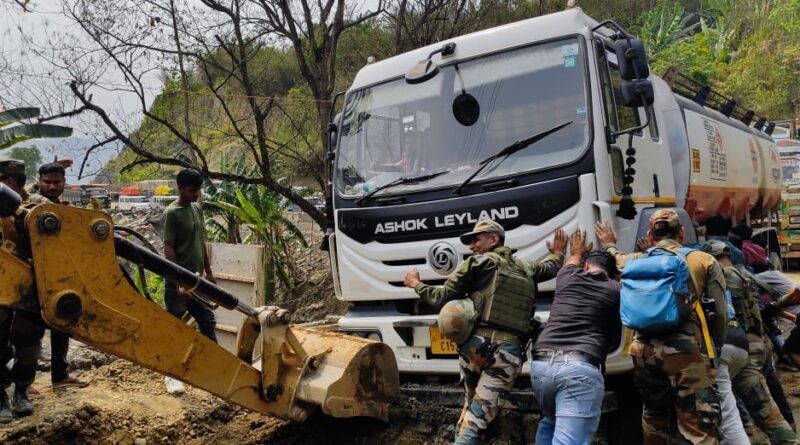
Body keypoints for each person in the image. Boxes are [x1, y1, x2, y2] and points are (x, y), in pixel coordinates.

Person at [404, 219, 566, 445]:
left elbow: (441, 297)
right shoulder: (526, 268)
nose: (472, 246)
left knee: (472, 409)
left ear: (494, 239)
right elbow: (550, 268)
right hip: (507, 354)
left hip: (474, 349)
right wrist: (558, 253)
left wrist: (416, 285)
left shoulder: (476, 263)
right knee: (477, 417)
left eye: (476, 240)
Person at [596, 209, 727, 444]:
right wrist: (715, 352)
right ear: (682, 232)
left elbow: (616, 258)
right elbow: (720, 313)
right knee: (698, 424)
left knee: (654, 416)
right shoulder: (702, 259)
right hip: (685, 350)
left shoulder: (635, 261)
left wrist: (609, 243)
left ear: (650, 234)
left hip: (642, 351)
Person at [703, 240, 798, 444]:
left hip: (745, 347)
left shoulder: (719, 276)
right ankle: (789, 429)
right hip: (763, 343)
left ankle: (787, 439)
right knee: (773, 395)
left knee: (762, 408)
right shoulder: (746, 274)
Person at [530, 230, 620, 445]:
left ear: (586, 267)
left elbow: (572, 260)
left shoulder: (567, 276)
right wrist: (611, 244)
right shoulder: (615, 289)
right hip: (579, 370)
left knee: (550, 423)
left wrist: (572, 251)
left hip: (541, 367)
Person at [29, 163, 91, 391]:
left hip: (60, 277)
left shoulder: (62, 207)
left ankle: (60, 375)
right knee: (30, 332)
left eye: (56, 182)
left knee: (62, 326)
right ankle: (24, 384)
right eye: (47, 182)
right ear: (39, 180)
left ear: (64, 183)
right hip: (33, 277)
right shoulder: (31, 202)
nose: (52, 186)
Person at [161, 168, 217, 341]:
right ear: (181, 188)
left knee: (207, 321)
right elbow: (168, 246)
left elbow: (200, 241)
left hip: (197, 279)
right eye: (193, 190)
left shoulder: (196, 209)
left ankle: (212, 362)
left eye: (199, 190)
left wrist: (208, 271)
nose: (197, 194)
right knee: (174, 326)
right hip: (178, 283)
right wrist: (178, 281)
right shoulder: (172, 213)